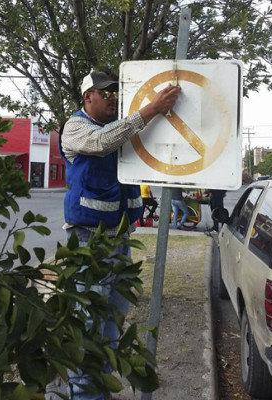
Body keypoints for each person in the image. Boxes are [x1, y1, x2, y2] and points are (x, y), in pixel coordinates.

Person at [60, 70, 181, 400]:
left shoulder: (123, 130)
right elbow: (100, 143)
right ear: (88, 97)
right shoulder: (75, 127)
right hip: (88, 243)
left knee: (112, 322)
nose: (113, 98)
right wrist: (151, 109)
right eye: (106, 93)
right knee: (88, 325)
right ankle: (85, 395)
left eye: (116, 93)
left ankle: (100, 388)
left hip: (120, 241)